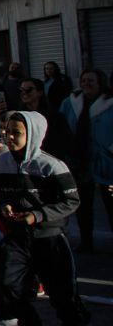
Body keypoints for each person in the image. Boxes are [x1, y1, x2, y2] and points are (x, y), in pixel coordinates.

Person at [0, 110, 88, 326]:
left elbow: (71, 201)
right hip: (18, 236)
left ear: (33, 134)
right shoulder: (1, 163)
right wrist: (5, 205)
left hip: (49, 236)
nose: (8, 137)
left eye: (16, 133)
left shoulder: (51, 166)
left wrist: (38, 215)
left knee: (62, 293)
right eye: (6, 131)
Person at [59, 69, 113, 253]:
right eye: (83, 80)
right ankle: (86, 241)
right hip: (79, 161)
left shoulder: (110, 103)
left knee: (110, 204)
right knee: (83, 205)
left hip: (106, 161)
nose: (86, 84)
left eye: (91, 80)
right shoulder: (70, 103)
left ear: (101, 83)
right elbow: (60, 125)